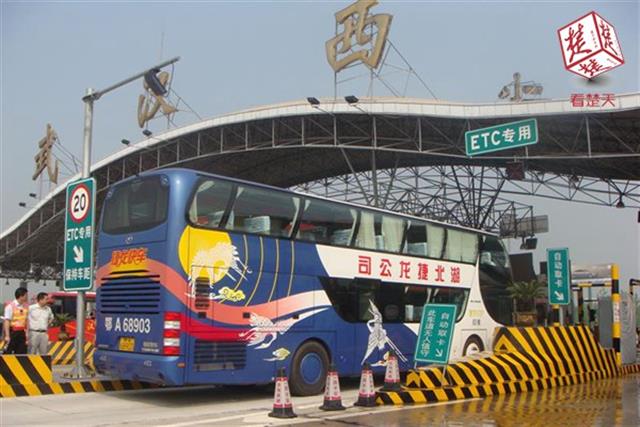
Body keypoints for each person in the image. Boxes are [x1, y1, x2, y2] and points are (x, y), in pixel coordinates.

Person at [3, 288, 29, 354]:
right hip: (13, 332)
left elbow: (26, 320)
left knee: (21, 352)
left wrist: (27, 333)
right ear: (21, 296)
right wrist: (7, 335)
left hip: (22, 332)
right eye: (26, 295)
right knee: (9, 351)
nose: (27, 297)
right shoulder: (10, 306)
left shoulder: (26, 306)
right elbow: (7, 321)